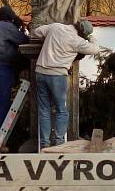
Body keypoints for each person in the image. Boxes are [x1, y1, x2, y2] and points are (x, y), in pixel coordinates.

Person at [31, 19, 99, 149]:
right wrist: (91, 38)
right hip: (57, 75)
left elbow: (37, 32)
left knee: (44, 109)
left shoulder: (56, 27)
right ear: (82, 34)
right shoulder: (77, 41)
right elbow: (95, 49)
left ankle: (44, 143)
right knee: (62, 110)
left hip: (40, 72)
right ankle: (59, 142)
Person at [0, 6, 29, 151]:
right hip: (3, 68)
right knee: (3, 103)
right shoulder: (7, 27)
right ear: (9, 17)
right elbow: (23, 40)